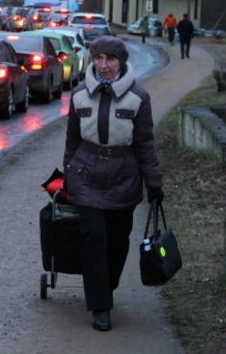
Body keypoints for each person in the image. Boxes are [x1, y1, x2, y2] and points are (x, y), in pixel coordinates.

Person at [64, 36, 163, 332]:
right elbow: (72, 139)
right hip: (86, 175)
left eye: (110, 60)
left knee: (118, 240)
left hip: (123, 176)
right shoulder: (80, 95)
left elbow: (145, 144)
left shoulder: (138, 97)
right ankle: (100, 306)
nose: (103, 66)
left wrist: (154, 183)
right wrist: (69, 172)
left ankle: (108, 285)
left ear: (121, 62)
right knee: (94, 236)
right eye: (98, 59)